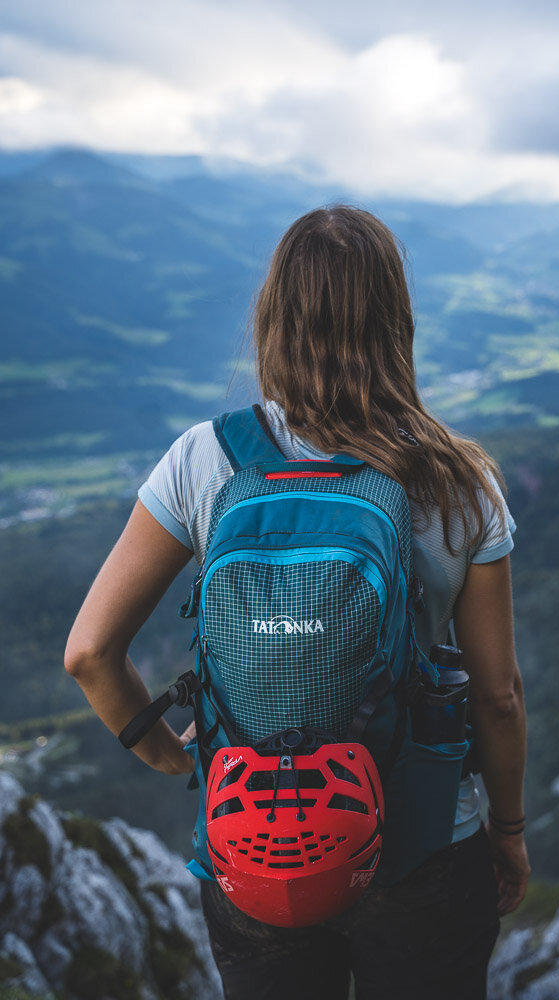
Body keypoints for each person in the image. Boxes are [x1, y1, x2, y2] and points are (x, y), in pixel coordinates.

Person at [65, 206, 530, 999]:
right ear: (397, 322)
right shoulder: (460, 481)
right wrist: (510, 833)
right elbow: (497, 695)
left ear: (274, 318)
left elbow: (88, 653)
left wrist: (174, 759)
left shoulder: (205, 459)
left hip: (255, 849)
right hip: (421, 847)